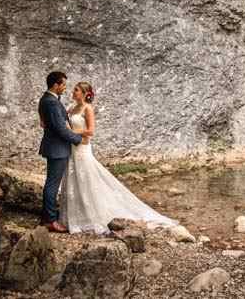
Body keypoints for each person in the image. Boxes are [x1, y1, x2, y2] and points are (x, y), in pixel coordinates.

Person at [60, 81, 177, 234]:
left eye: (76, 90)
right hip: (72, 148)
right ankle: (74, 217)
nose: (73, 92)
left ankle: (91, 216)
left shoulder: (88, 109)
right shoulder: (71, 108)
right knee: (73, 179)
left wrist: (71, 132)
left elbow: (90, 131)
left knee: (86, 179)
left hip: (82, 148)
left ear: (84, 93)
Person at [38, 71, 88, 233]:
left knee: (51, 183)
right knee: (52, 184)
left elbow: (46, 123)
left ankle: (47, 216)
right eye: (63, 85)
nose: (65, 88)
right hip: (57, 149)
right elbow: (60, 128)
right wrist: (78, 140)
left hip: (54, 147)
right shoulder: (51, 102)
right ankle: (50, 221)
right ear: (56, 85)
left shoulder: (46, 99)